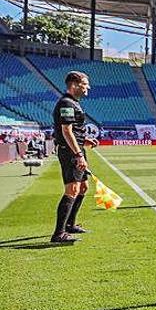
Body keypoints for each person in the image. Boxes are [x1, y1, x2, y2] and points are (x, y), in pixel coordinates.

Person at [51, 71, 98, 243]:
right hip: (70, 152)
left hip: (76, 149)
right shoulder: (66, 103)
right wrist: (78, 154)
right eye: (85, 84)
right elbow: (66, 131)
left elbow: (73, 130)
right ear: (74, 84)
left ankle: (70, 224)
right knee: (72, 189)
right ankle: (59, 233)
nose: (88, 87)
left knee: (83, 187)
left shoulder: (73, 103)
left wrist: (84, 140)